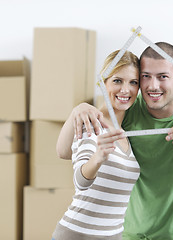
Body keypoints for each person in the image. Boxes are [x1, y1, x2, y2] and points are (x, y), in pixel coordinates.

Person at [56, 42, 173, 240]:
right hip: (133, 236)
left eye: (162, 76)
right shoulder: (128, 108)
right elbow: (66, 151)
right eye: (145, 77)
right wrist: (78, 109)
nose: (153, 86)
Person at [52, 50, 141, 240]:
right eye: (117, 80)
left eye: (133, 82)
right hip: (77, 234)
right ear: (103, 82)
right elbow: (80, 181)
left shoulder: (124, 133)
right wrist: (98, 157)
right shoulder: (91, 123)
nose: (126, 90)